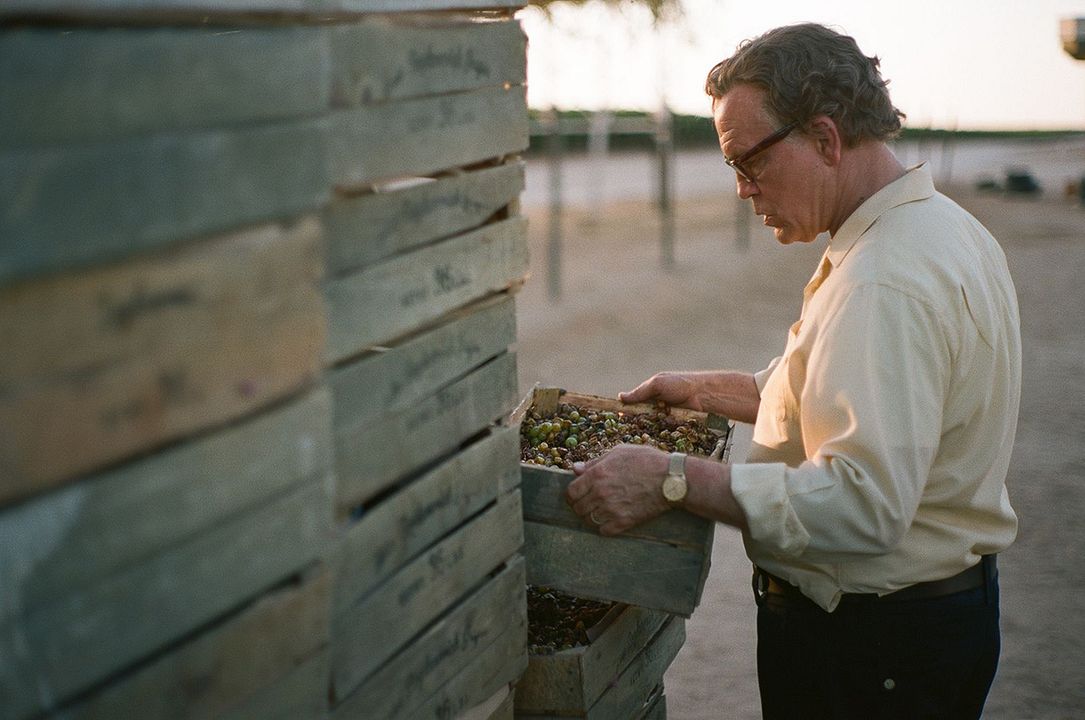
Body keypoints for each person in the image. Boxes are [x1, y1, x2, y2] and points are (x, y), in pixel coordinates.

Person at [565, 23, 1021, 720]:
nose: (743, 191)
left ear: (825, 138)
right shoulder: (942, 229)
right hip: (927, 625)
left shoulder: (884, 280)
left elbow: (860, 504)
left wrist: (671, 479)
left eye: (747, 163)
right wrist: (708, 391)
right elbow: (864, 398)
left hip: (873, 652)